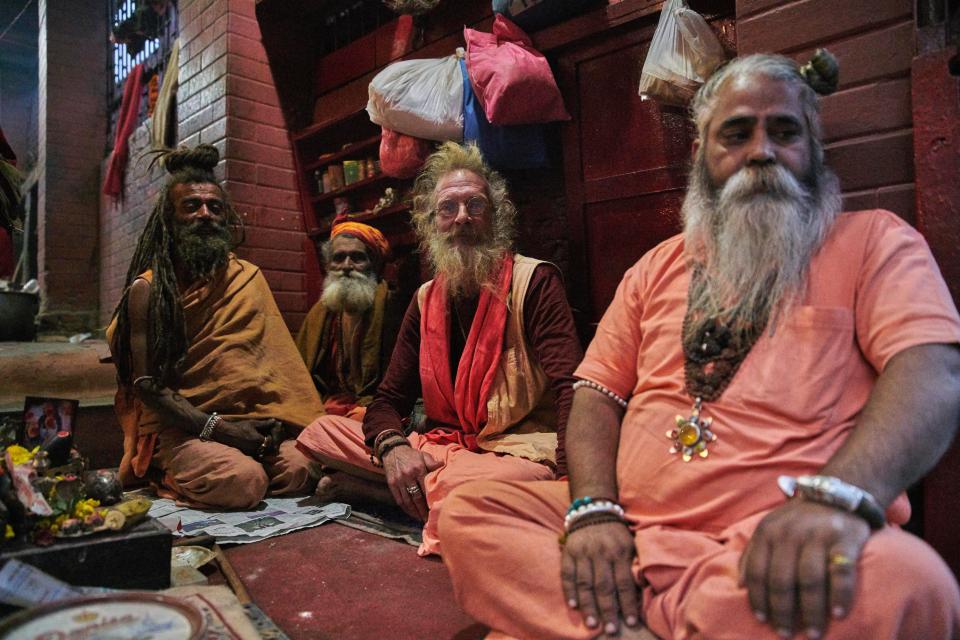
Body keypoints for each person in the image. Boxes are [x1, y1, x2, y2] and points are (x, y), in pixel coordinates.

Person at [438, 52, 960, 639]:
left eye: (785, 132)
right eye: (736, 134)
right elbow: (593, 395)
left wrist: (835, 500)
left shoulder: (875, 243)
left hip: (770, 549)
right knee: (470, 510)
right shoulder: (655, 267)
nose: (761, 151)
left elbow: (932, 373)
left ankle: (611, 622)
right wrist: (593, 511)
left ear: (815, 151)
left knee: (910, 581)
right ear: (701, 157)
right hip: (628, 531)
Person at [296, 142, 582, 556]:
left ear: (496, 217)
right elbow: (389, 399)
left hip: (517, 453)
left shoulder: (534, 283)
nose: (462, 217)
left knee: (472, 485)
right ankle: (422, 488)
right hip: (444, 448)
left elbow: (572, 389)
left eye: (475, 206)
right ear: (431, 224)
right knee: (323, 431)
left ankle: (384, 493)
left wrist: (570, 489)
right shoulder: (424, 299)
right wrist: (394, 449)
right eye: (448, 208)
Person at [107, 145, 325, 510]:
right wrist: (222, 430)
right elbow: (147, 387)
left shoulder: (247, 277)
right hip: (188, 426)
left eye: (214, 207)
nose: (205, 214)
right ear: (169, 220)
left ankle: (241, 463)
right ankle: (166, 470)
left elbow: (272, 369)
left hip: (254, 425)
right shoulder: (148, 290)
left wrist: (267, 424)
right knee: (243, 483)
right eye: (191, 206)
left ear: (226, 218)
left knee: (302, 470)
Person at [295, 221, 400, 420]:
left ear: (374, 264)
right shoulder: (320, 313)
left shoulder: (394, 308)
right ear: (328, 265)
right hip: (328, 404)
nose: (347, 266)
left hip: (374, 405)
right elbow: (301, 376)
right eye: (339, 258)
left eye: (358, 258)